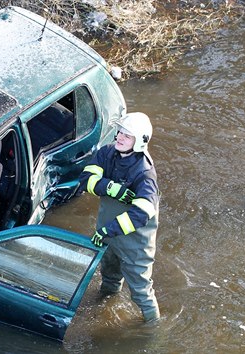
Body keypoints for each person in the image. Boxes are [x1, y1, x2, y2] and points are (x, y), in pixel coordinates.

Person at [78, 112, 160, 322]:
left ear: (140, 142)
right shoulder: (108, 154)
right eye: (120, 132)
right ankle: (103, 308)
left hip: (135, 244)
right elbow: (85, 179)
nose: (120, 138)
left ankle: (153, 332)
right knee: (109, 279)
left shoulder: (144, 174)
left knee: (141, 293)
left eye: (127, 136)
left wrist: (108, 230)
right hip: (107, 234)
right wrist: (110, 187)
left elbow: (141, 214)